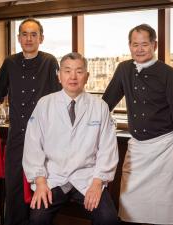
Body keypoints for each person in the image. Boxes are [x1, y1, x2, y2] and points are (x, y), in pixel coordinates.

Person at [102, 24, 173, 225]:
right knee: (130, 197)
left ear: (154, 45)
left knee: (166, 203)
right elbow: (107, 101)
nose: (139, 49)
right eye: (135, 45)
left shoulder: (168, 73)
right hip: (138, 147)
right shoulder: (123, 69)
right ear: (129, 46)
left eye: (144, 44)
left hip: (165, 147)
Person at [0, 18, 61, 225]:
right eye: (24, 34)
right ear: (19, 38)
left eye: (34, 34)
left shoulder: (49, 61)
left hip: (44, 136)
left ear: (41, 38)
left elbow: (59, 97)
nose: (29, 38)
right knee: (14, 184)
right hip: (17, 135)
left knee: (41, 184)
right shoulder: (10, 62)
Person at [22, 52, 119, 225]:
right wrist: (40, 181)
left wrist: (98, 182)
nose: (73, 76)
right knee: (37, 218)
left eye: (79, 71)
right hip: (53, 177)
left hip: (87, 178)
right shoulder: (45, 104)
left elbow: (108, 149)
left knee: (108, 218)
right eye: (67, 71)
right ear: (59, 76)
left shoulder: (100, 107)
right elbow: (33, 146)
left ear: (87, 76)